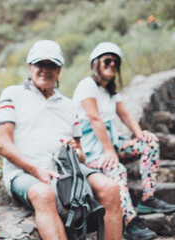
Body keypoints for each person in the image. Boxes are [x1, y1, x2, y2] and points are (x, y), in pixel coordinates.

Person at [0, 39, 122, 240]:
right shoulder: (12, 94)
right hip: (23, 173)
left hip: (66, 170)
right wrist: (37, 170)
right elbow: (3, 145)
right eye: (40, 64)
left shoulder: (69, 105)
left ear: (59, 70)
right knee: (44, 195)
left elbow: (81, 156)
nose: (46, 70)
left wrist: (75, 149)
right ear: (30, 67)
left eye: (52, 65)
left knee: (111, 188)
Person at [72, 41, 175, 240]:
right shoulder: (87, 85)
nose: (112, 65)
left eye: (115, 63)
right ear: (95, 63)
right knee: (117, 169)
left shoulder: (110, 91)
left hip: (111, 147)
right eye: (107, 61)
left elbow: (126, 115)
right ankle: (130, 222)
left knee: (151, 143)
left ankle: (147, 197)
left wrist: (140, 134)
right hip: (92, 153)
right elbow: (94, 118)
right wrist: (109, 151)